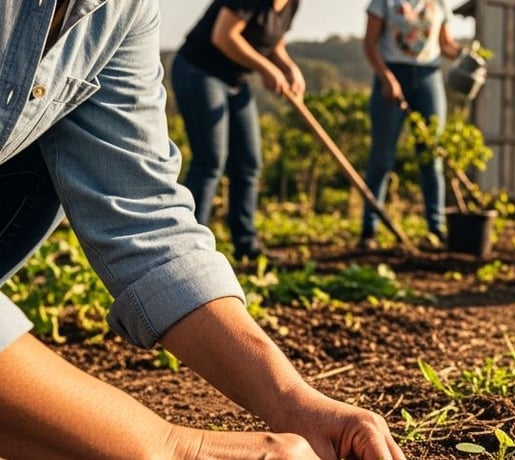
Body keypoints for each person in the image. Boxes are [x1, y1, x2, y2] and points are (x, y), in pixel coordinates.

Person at [0, 2, 404, 459]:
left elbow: (142, 214)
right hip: (206, 75)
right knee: (211, 162)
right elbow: (227, 37)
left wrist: (293, 401)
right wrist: (179, 448)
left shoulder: (120, 10)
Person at [171, 0, 306, 261]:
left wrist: (288, 67)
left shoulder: (291, 3)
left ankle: (246, 244)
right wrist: (266, 68)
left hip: (235, 80)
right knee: (210, 161)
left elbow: (274, 42)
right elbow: (224, 36)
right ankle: (188, 249)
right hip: (200, 71)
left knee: (248, 163)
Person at [359, 0, 463, 250]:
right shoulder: (384, 2)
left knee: (431, 154)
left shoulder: (438, 3)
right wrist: (387, 79)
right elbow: (370, 43)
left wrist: (469, 55)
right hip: (392, 74)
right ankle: (369, 229)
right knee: (382, 157)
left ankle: (435, 227)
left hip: (429, 77)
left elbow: (445, 44)